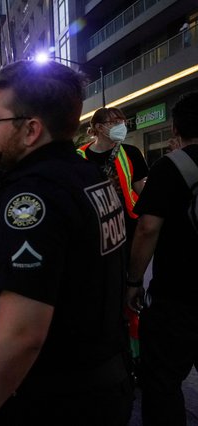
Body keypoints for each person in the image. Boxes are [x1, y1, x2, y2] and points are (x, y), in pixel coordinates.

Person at [0, 60, 133, 425]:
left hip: (54, 400)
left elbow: (21, 334)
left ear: (31, 129)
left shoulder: (34, 197)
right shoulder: (87, 175)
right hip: (101, 385)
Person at [126, 92, 198, 426]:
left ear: (176, 127)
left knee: (163, 381)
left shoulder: (172, 166)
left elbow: (147, 228)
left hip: (178, 295)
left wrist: (134, 280)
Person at [77, 107, 148, 248]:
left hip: (128, 225)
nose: (121, 126)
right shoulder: (78, 156)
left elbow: (141, 189)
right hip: (92, 227)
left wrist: (149, 219)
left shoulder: (131, 153)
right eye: (115, 122)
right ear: (99, 127)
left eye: (122, 122)